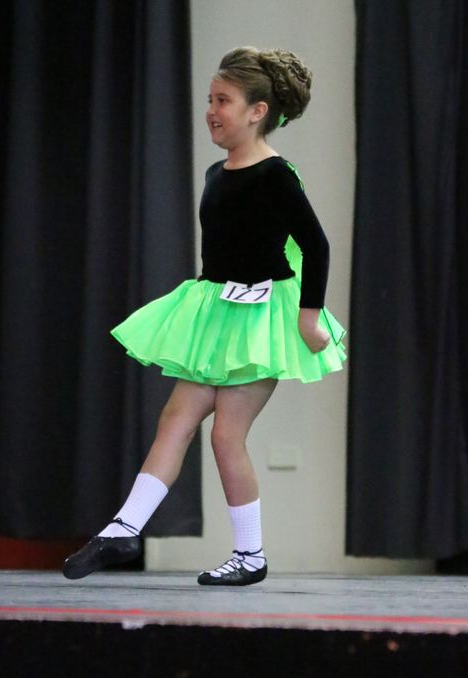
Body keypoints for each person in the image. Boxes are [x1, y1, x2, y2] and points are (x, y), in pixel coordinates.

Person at [63, 46, 346, 586]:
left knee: (225, 436)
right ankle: (124, 528)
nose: (212, 110)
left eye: (224, 101)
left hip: (260, 322)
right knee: (175, 419)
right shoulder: (218, 172)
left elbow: (316, 244)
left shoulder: (276, 175)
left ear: (257, 111)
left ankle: (250, 555)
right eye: (210, 99)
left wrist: (309, 317)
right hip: (216, 312)